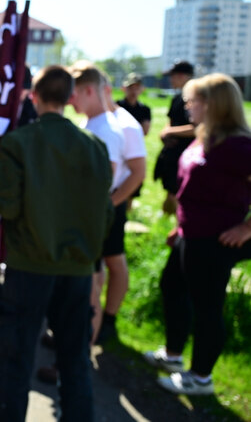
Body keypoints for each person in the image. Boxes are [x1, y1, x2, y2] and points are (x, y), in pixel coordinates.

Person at [0, 65, 113, 422]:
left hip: (29, 268)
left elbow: (8, 208)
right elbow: (106, 213)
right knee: (75, 361)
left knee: (14, 360)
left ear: (34, 96)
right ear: (70, 99)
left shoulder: (19, 142)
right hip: (78, 269)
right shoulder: (95, 146)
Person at [145, 73, 251, 396]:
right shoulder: (205, 135)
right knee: (172, 286)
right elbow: (194, 187)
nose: (187, 106)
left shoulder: (239, 145)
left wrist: (247, 227)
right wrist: (179, 228)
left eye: (194, 101)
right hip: (190, 233)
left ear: (215, 105)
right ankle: (174, 356)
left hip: (215, 239)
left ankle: (200, 377)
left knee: (207, 306)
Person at [69, 61, 125, 344]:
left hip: (88, 223)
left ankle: (80, 352)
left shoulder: (106, 130)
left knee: (89, 290)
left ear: (89, 90)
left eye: (74, 94)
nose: (71, 100)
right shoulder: (93, 124)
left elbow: (106, 181)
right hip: (83, 220)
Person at [95, 76, 147, 343]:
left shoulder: (126, 124)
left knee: (114, 260)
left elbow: (138, 172)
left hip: (111, 205)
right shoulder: (101, 119)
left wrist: (111, 204)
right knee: (98, 263)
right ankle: (94, 320)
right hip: (99, 206)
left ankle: (110, 320)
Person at [154, 60, 195, 214]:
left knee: (180, 193)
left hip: (186, 152)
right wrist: (165, 132)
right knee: (170, 190)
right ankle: (167, 221)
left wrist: (172, 131)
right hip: (172, 154)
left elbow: (199, 128)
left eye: (173, 76)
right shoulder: (177, 98)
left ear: (182, 76)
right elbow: (170, 122)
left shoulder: (197, 99)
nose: (171, 80)